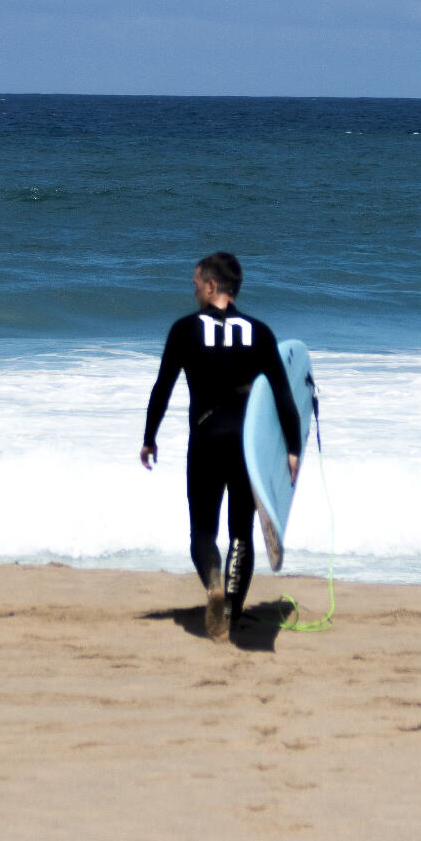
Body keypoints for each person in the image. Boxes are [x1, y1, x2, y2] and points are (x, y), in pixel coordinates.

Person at [140, 251, 300, 641]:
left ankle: (213, 583)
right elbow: (283, 394)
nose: (193, 290)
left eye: (196, 284)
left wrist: (149, 437)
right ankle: (231, 613)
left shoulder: (184, 329)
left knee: (202, 531)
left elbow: (163, 388)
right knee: (241, 532)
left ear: (212, 286)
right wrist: (293, 448)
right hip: (246, 445)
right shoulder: (260, 332)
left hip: (206, 439)